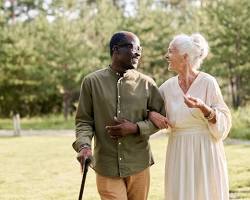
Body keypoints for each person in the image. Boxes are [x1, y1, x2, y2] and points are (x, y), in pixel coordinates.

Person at [72, 31, 165, 200]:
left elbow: (161, 120)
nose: (138, 52)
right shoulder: (92, 82)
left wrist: (136, 128)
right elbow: (84, 121)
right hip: (106, 165)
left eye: (140, 48)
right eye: (132, 47)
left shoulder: (147, 84)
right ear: (116, 50)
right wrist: (84, 146)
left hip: (139, 164)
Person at [149, 33, 232, 200]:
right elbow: (147, 108)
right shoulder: (166, 87)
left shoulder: (208, 82)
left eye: (171, 51)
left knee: (206, 193)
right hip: (178, 151)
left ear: (185, 56)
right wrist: (151, 114)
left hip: (206, 150)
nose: (167, 56)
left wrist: (204, 109)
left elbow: (224, 122)